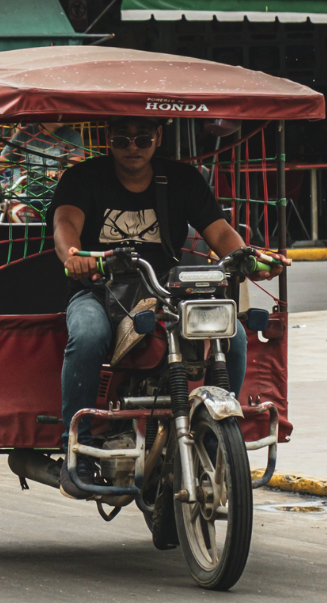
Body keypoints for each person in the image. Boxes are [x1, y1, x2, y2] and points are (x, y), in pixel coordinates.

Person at [48, 119, 255, 433]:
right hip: (98, 290)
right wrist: (74, 257)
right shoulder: (83, 177)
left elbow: (222, 233)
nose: (132, 148)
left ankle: (217, 441)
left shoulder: (182, 179)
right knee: (88, 335)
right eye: (122, 139)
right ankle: (78, 444)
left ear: (158, 137)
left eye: (142, 139)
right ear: (108, 137)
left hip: (163, 292)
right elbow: (65, 223)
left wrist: (250, 260)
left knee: (233, 334)